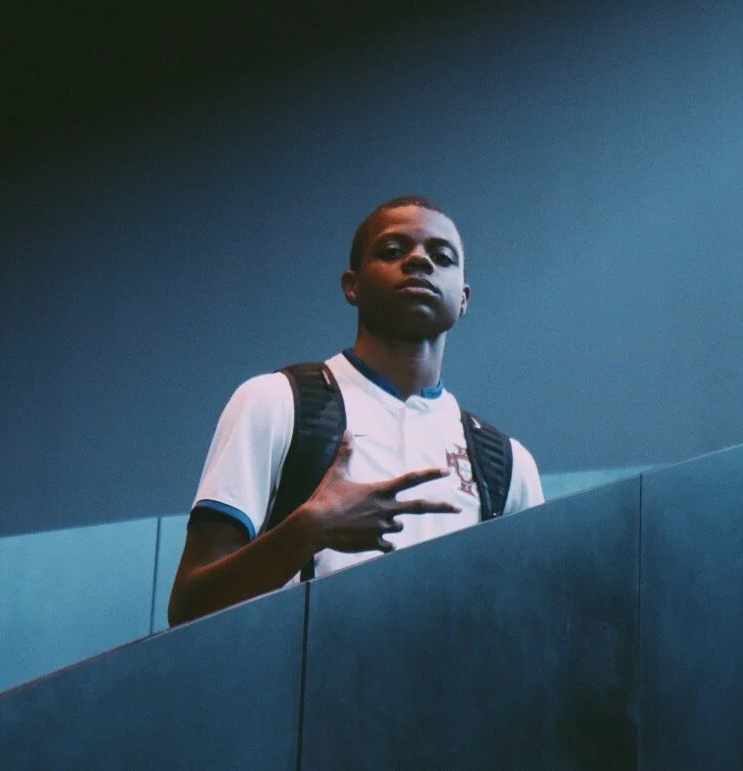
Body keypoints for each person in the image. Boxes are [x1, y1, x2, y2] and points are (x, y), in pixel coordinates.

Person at [167, 196, 544, 626]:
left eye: (442, 257)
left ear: (463, 299)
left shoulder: (508, 465)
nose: (419, 260)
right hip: (299, 671)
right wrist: (308, 531)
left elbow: (534, 624)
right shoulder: (276, 401)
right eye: (393, 251)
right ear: (353, 286)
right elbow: (189, 607)